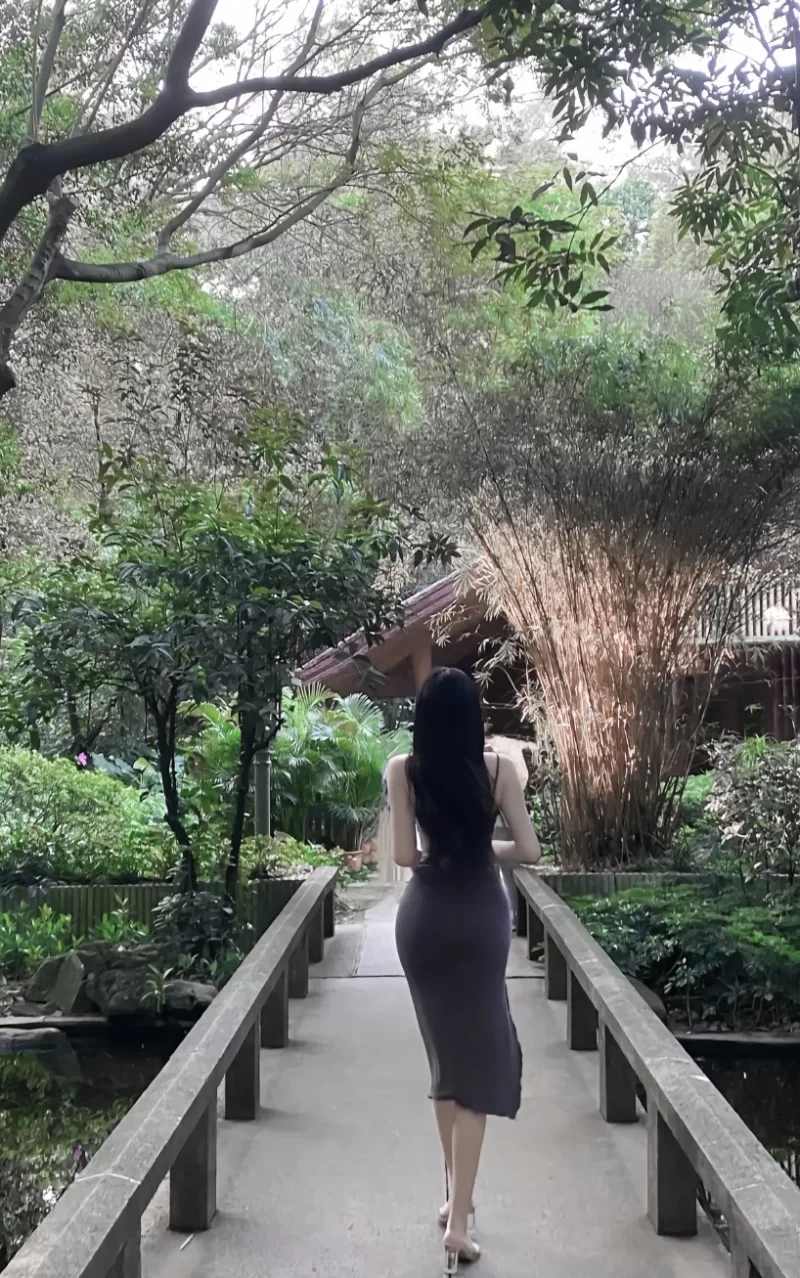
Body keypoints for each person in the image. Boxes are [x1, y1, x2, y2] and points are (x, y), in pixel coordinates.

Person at [384, 668, 541, 1274]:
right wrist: (482, 849)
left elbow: (405, 855)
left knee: (447, 1064)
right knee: (475, 1069)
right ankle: (457, 1223)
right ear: (475, 717)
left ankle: (455, 1197)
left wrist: (443, 851)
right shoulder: (498, 771)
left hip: (423, 923)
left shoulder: (404, 770)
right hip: (479, 919)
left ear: (423, 719)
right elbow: (529, 850)